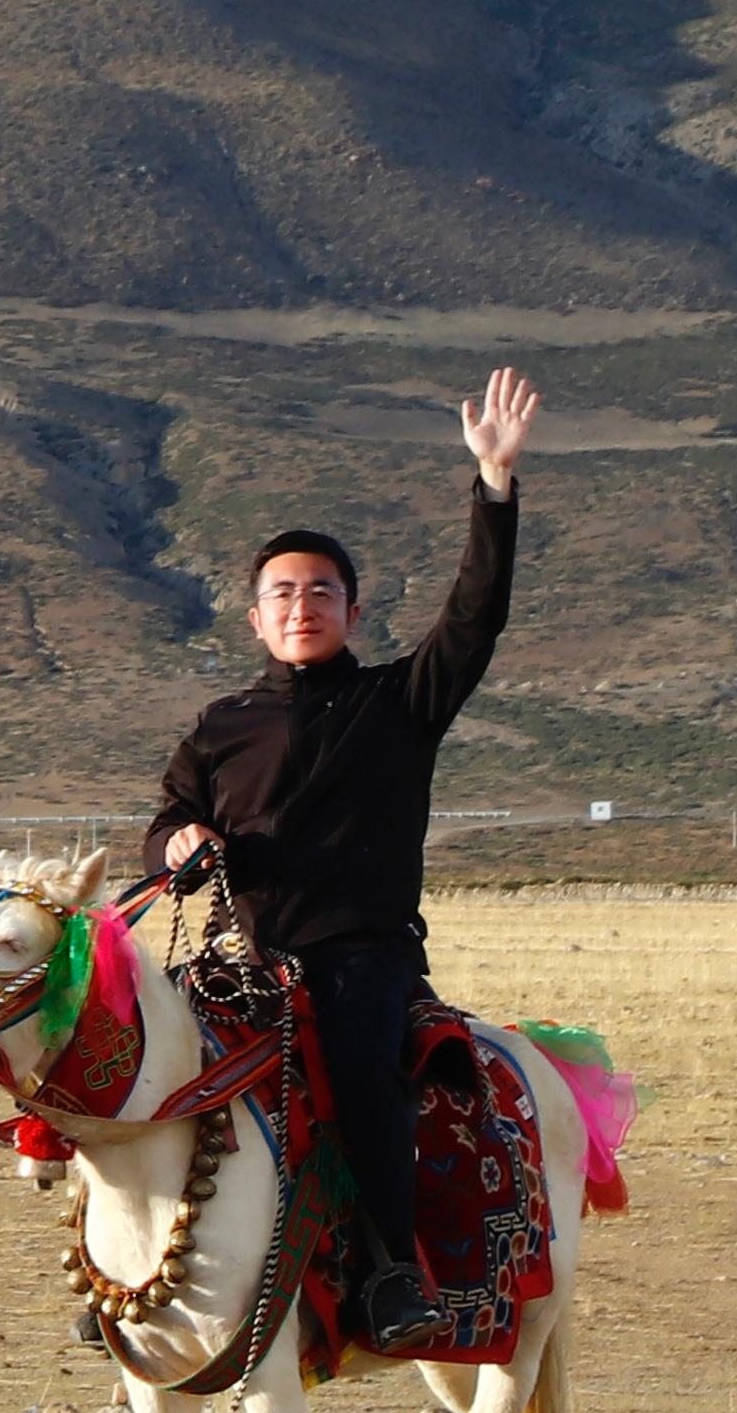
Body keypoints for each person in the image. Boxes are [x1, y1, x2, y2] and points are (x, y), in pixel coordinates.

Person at [141, 365, 542, 1302]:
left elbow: (476, 617)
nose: (300, 605)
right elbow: (168, 816)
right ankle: (145, 1274)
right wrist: (176, 845)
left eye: (321, 591)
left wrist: (493, 486)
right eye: (282, 593)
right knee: (141, 1067)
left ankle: (391, 1269)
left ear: (352, 612)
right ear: (255, 618)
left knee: (363, 1080)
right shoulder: (220, 724)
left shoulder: (400, 701)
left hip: (361, 959)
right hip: (241, 955)